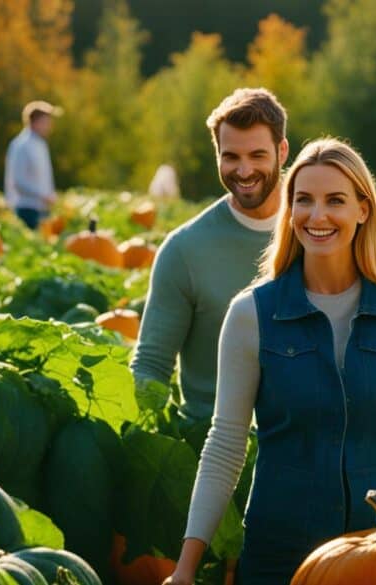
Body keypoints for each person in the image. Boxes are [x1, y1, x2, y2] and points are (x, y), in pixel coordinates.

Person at [165, 138, 376, 585]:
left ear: (363, 210)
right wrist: (186, 567)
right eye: (303, 200)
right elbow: (225, 445)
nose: (317, 216)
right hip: (281, 550)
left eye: (335, 200)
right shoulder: (251, 314)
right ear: (288, 212)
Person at [130, 88, 290, 440]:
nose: (244, 170)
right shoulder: (184, 249)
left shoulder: (317, 231)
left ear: (282, 151)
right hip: (209, 441)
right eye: (230, 156)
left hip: (302, 444)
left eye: (257, 155)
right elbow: (151, 365)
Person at [4, 100, 62, 229]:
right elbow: (18, 181)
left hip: (43, 209)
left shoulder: (41, 145)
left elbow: (45, 177)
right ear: (35, 122)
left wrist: (50, 195)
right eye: (46, 122)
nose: (49, 126)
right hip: (27, 209)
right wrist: (43, 195)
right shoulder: (21, 145)